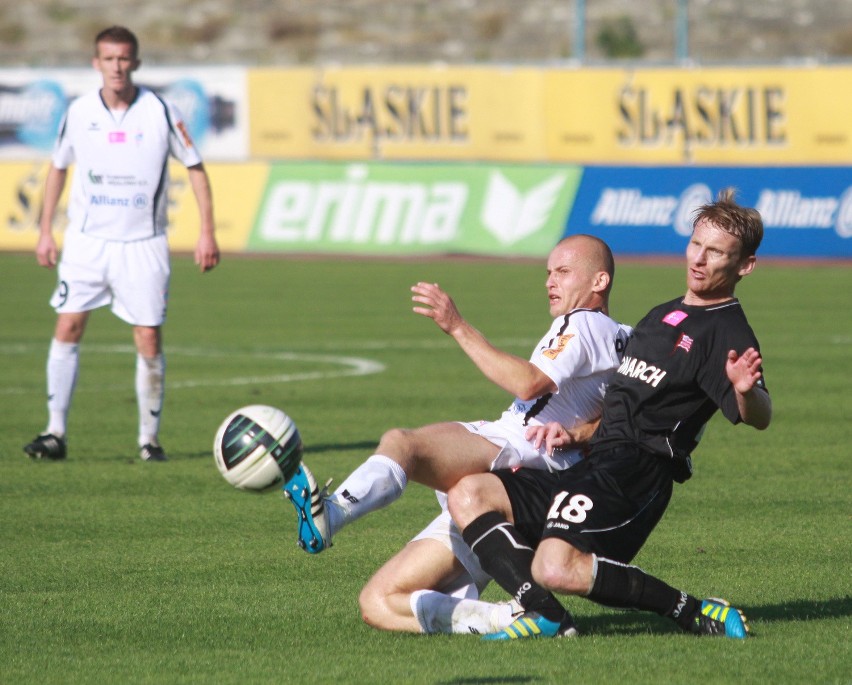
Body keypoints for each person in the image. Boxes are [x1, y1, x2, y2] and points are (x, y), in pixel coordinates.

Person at [447, 188, 771, 640]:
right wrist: (576, 435)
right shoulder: (663, 314)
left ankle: (692, 610)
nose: (698, 259)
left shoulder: (728, 332)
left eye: (716, 252)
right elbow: (622, 404)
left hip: (636, 472)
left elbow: (759, 414)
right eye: (696, 244)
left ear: (744, 265)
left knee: (555, 568)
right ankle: (545, 616)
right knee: (469, 493)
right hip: (593, 462)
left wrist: (746, 390)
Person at [281, 234, 632, 635]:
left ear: (599, 282)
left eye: (563, 272)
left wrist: (457, 325)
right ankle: (507, 618)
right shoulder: (627, 340)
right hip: (513, 489)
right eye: (548, 272)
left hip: (519, 449)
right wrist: (577, 434)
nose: (550, 282)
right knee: (377, 602)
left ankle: (332, 516)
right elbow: (621, 418)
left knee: (403, 444)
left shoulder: (582, 322)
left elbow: (528, 383)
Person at [23, 26, 219, 462]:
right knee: (68, 325)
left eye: (124, 58)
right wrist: (43, 230)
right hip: (87, 243)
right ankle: (54, 432)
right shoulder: (77, 112)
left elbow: (196, 167)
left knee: (148, 337)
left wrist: (207, 231)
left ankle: (149, 441)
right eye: (108, 59)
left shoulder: (160, 111)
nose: (117, 66)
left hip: (143, 244)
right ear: (96, 63)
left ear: (136, 63)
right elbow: (57, 168)